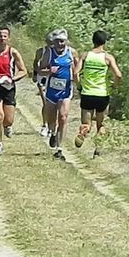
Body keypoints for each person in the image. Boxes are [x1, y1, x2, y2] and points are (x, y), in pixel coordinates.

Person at [74, 30, 122, 157]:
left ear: (93, 41)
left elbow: (75, 73)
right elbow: (118, 74)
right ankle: (98, 149)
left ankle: (83, 132)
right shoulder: (108, 57)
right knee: (101, 124)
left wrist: (79, 85)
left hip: (87, 93)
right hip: (102, 94)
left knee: (86, 123)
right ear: (104, 42)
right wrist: (115, 85)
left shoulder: (85, 56)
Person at [0, 26, 28, 154]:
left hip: (8, 87)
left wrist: (13, 79)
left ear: (8, 38)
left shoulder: (13, 52)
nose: (2, 38)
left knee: (8, 120)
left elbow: (24, 71)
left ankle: (7, 126)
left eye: (4, 36)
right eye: (0, 36)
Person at [39, 28, 79, 160]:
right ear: (53, 42)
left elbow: (77, 68)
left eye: (62, 41)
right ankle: (53, 132)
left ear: (66, 41)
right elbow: (40, 70)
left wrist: (77, 80)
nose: (60, 44)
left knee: (63, 117)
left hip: (65, 91)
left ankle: (59, 149)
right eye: (57, 41)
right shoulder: (49, 53)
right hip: (51, 91)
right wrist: (49, 71)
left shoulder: (71, 52)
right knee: (52, 118)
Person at [32, 34, 53, 137]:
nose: (51, 44)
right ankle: (45, 125)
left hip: (54, 79)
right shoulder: (41, 51)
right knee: (46, 103)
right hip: (43, 78)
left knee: (54, 104)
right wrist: (35, 74)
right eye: (49, 41)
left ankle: (52, 126)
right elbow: (35, 63)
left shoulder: (60, 52)